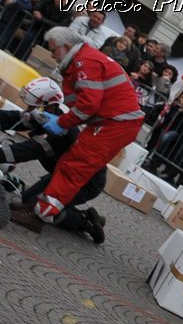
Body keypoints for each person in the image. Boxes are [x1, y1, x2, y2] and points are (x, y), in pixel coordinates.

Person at [29, 27, 143, 227]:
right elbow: (83, 103)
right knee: (75, 163)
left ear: (66, 46)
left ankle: (44, 211)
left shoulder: (84, 62)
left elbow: (88, 104)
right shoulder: (81, 61)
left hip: (114, 123)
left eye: (53, 49)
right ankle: (48, 207)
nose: (52, 54)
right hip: (113, 122)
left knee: (76, 164)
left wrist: (61, 123)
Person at [0, 77, 108, 244]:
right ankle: (69, 209)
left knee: (37, 205)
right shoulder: (45, 116)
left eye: (32, 106)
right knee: (28, 197)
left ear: (48, 105)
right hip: (64, 174)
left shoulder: (60, 129)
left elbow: (28, 151)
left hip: (85, 182)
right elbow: (13, 118)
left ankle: (84, 221)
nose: (28, 109)